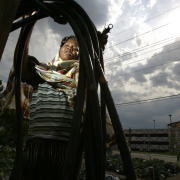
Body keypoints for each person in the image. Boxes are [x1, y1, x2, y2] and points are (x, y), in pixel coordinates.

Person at [8, 14, 108, 180]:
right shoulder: (42, 71)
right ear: (60, 49)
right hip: (36, 145)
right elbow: (20, 63)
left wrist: (97, 47)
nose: (70, 48)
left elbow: (93, 65)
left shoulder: (81, 77)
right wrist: (29, 23)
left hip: (66, 148)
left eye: (75, 48)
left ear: (78, 55)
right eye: (67, 45)